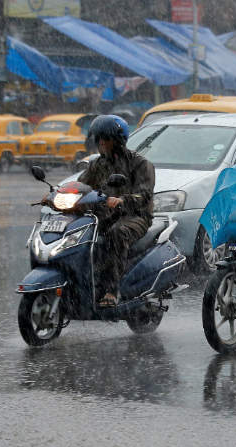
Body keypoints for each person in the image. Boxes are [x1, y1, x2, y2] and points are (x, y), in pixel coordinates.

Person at [77, 115, 155, 307]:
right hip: (105, 215)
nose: (101, 142)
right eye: (98, 138)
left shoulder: (140, 164)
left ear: (118, 140)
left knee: (116, 234)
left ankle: (112, 289)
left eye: (106, 138)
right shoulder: (97, 164)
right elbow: (81, 185)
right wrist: (57, 195)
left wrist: (122, 200)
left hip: (135, 216)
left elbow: (144, 195)